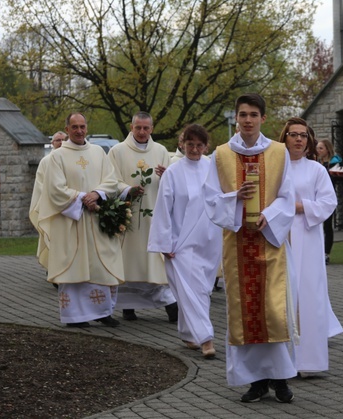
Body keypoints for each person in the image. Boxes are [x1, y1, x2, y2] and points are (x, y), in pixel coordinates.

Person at [204, 93, 297, 403]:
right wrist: (235, 198)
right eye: (242, 114)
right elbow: (211, 199)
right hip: (238, 245)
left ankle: (281, 379)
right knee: (244, 311)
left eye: (253, 115)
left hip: (269, 241)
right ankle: (255, 381)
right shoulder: (219, 155)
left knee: (272, 310)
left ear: (263, 119)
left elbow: (287, 195)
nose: (247, 120)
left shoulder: (279, 152)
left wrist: (269, 216)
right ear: (236, 118)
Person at [36, 113, 124, 327]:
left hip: (96, 220)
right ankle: (75, 317)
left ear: (87, 127)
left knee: (101, 264)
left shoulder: (98, 152)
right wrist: (83, 198)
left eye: (82, 126)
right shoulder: (57, 156)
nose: (79, 130)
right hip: (71, 222)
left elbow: (111, 180)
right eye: (74, 127)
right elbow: (55, 190)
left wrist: (97, 193)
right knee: (73, 266)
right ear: (67, 129)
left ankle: (103, 312)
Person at [148, 124, 222, 358]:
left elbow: (220, 201)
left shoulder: (213, 169)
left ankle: (188, 333)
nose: (195, 149)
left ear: (206, 146)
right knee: (193, 291)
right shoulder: (173, 172)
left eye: (199, 145)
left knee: (201, 289)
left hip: (208, 241)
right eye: (190, 144)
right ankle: (206, 338)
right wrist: (165, 242)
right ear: (182, 144)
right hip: (180, 243)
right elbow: (163, 209)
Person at [278, 118, 342, 375]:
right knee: (284, 296)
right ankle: (284, 361)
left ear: (309, 141)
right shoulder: (276, 167)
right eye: (293, 134)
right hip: (281, 237)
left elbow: (328, 202)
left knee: (309, 295)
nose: (298, 139)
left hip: (308, 237)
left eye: (303, 135)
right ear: (285, 138)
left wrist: (300, 206)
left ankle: (309, 362)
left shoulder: (316, 170)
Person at [108, 112, 177, 323]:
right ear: (131, 127)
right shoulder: (117, 151)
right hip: (128, 217)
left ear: (152, 129)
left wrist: (168, 175)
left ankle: (171, 306)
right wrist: (127, 189)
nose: (142, 132)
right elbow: (110, 181)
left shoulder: (161, 151)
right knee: (130, 263)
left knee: (154, 263)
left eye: (146, 128)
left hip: (154, 215)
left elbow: (173, 182)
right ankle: (128, 307)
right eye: (138, 127)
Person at [30, 131, 68, 276]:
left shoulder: (70, 158)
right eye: (58, 140)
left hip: (71, 206)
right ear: (52, 143)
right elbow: (41, 185)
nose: (61, 143)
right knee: (53, 239)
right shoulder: (46, 161)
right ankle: (52, 269)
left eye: (63, 140)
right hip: (52, 208)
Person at [315, 138, 341, 264]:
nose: (318, 150)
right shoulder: (316, 162)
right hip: (316, 197)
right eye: (318, 148)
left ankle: (326, 252)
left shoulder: (334, 163)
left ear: (327, 149)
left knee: (327, 225)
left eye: (321, 148)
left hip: (328, 196)